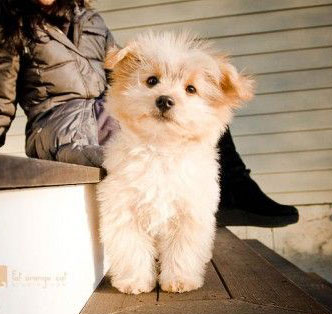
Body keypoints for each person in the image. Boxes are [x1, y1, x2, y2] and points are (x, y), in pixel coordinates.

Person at [0, 0, 298, 227]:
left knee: (195, 112)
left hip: (103, 112)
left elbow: (128, 70)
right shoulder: (10, 25)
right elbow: (2, 98)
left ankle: (236, 190)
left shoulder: (89, 17)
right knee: (124, 159)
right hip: (58, 124)